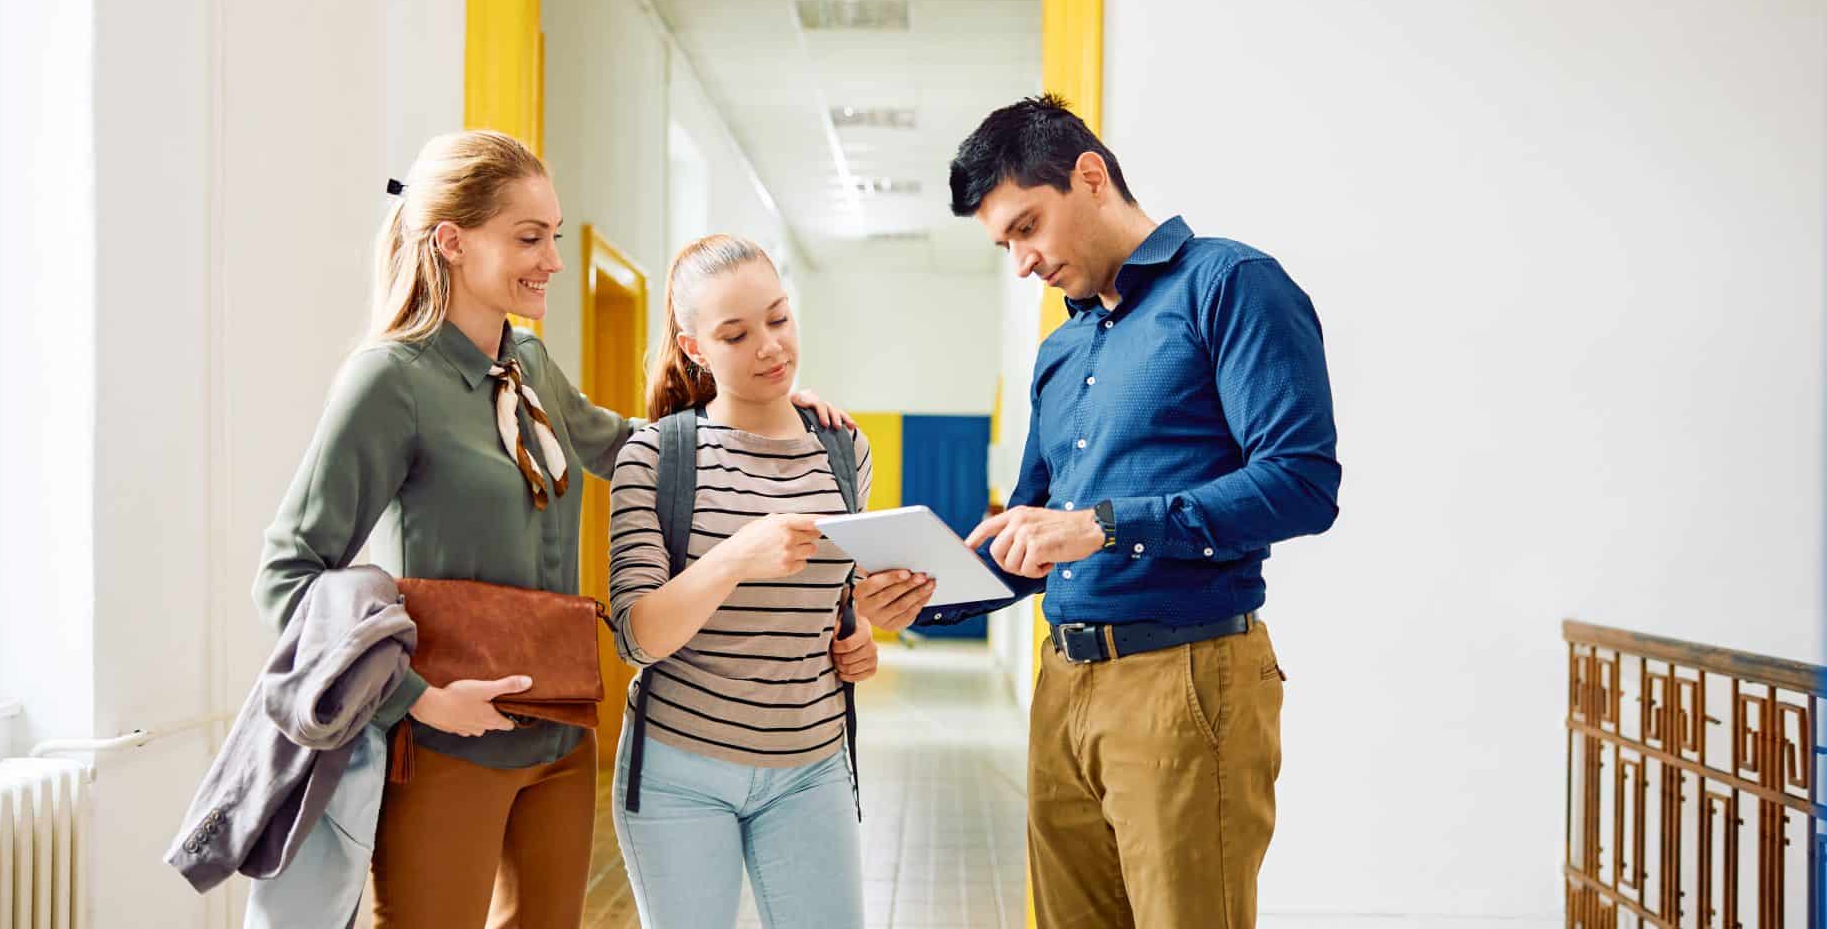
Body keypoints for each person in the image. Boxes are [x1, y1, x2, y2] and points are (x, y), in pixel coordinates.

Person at [252, 131, 853, 929]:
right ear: (451, 242)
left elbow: (635, 445)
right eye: (529, 239)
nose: (553, 262)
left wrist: (777, 409)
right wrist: (418, 701)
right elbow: (289, 575)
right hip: (447, 741)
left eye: (556, 237)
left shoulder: (527, 362)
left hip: (559, 741)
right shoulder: (389, 381)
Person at [856, 95, 1342, 927]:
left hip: (1185, 681)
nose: (1022, 262)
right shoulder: (1061, 350)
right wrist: (926, 597)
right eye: (1005, 242)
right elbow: (1034, 528)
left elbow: (1302, 482)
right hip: (1064, 682)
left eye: (1026, 227)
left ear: (1090, 177)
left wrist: (1105, 524)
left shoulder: (1229, 286)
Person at [605, 234, 896, 929]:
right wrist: (736, 556)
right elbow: (637, 637)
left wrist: (865, 633)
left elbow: (835, 603)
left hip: (813, 766)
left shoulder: (843, 448)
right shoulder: (656, 455)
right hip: (680, 773)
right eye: (736, 334)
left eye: (779, 318)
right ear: (696, 347)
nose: (770, 346)